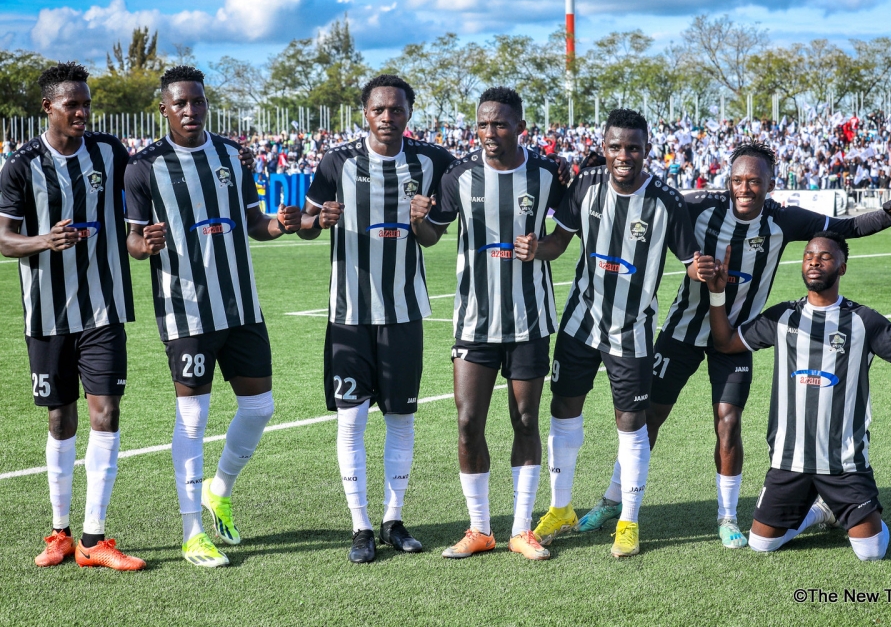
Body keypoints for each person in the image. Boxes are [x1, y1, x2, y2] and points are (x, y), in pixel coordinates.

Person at [580, 141, 891, 549]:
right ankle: (614, 501)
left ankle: (727, 515)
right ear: (728, 180)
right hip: (681, 332)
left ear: (770, 183)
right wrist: (592, 172)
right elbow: (647, 203)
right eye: (737, 180)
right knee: (647, 420)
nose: (744, 188)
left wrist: (889, 215)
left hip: (736, 341)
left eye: (754, 181)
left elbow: (846, 228)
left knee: (729, 423)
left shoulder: (784, 221)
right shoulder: (699, 206)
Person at [125, 66, 302, 567]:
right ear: (164, 108)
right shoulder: (144, 167)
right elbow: (133, 240)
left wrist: (279, 225)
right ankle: (192, 533)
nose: (190, 110)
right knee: (194, 418)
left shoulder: (230, 155)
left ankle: (217, 490)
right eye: (180, 103)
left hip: (242, 306)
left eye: (198, 101)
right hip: (186, 312)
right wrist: (146, 243)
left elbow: (253, 223)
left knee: (260, 407)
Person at [520, 109, 700, 557]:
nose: (624, 155)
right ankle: (561, 508)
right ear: (604, 148)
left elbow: (689, 262)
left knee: (631, 424)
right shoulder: (586, 185)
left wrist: (704, 270)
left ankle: (628, 520)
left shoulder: (667, 202)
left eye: (633, 148)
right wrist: (535, 249)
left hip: (633, 329)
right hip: (581, 321)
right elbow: (560, 244)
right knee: (563, 409)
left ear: (646, 150)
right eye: (616, 147)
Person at [704, 233, 891, 560]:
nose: (814, 261)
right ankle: (821, 511)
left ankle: (842, 510)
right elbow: (725, 343)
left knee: (871, 553)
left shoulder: (863, 321)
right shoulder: (781, 317)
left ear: (842, 267)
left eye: (825, 257)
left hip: (844, 462)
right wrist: (717, 294)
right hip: (789, 460)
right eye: (808, 255)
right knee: (761, 544)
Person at [297, 74, 454, 563]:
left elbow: (430, 239)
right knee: (352, 420)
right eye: (379, 110)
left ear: (410, 112)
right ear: (364, 112)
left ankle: (393, 519)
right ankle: (359, 525)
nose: (388, 117)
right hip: (348, 314)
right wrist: (314, 221)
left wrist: (420, 220)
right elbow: (304, 228)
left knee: (402, 418)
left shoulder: (433, 162)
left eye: (397, 109)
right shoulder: (336, 162)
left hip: (404, 312)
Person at [0, 62, 145, 571]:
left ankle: (94, 538)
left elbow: (144, 192)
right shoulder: (20, 165)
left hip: (103, 308)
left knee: (106, 413)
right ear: (48, 108)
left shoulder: (110, 151)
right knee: (60, 417)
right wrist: (45, 240)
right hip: (46, 314)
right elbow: (2, 238)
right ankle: (59, 532)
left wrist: (140, 238)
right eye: (72, 105)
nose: (83, 112)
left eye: (86, 103)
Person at [414, 87, 563, 560]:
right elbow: (431, 236)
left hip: (529, 320)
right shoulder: (459, 175)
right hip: (474, 322)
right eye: (483, 124)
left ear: (520, 125)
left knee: (524, 420)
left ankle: (521, 529)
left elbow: (566, 235)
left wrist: (542, 248)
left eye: (500, 124)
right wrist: (418, 219)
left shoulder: (545, 174)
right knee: (467, 422)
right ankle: (480, 528)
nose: (490, 133)